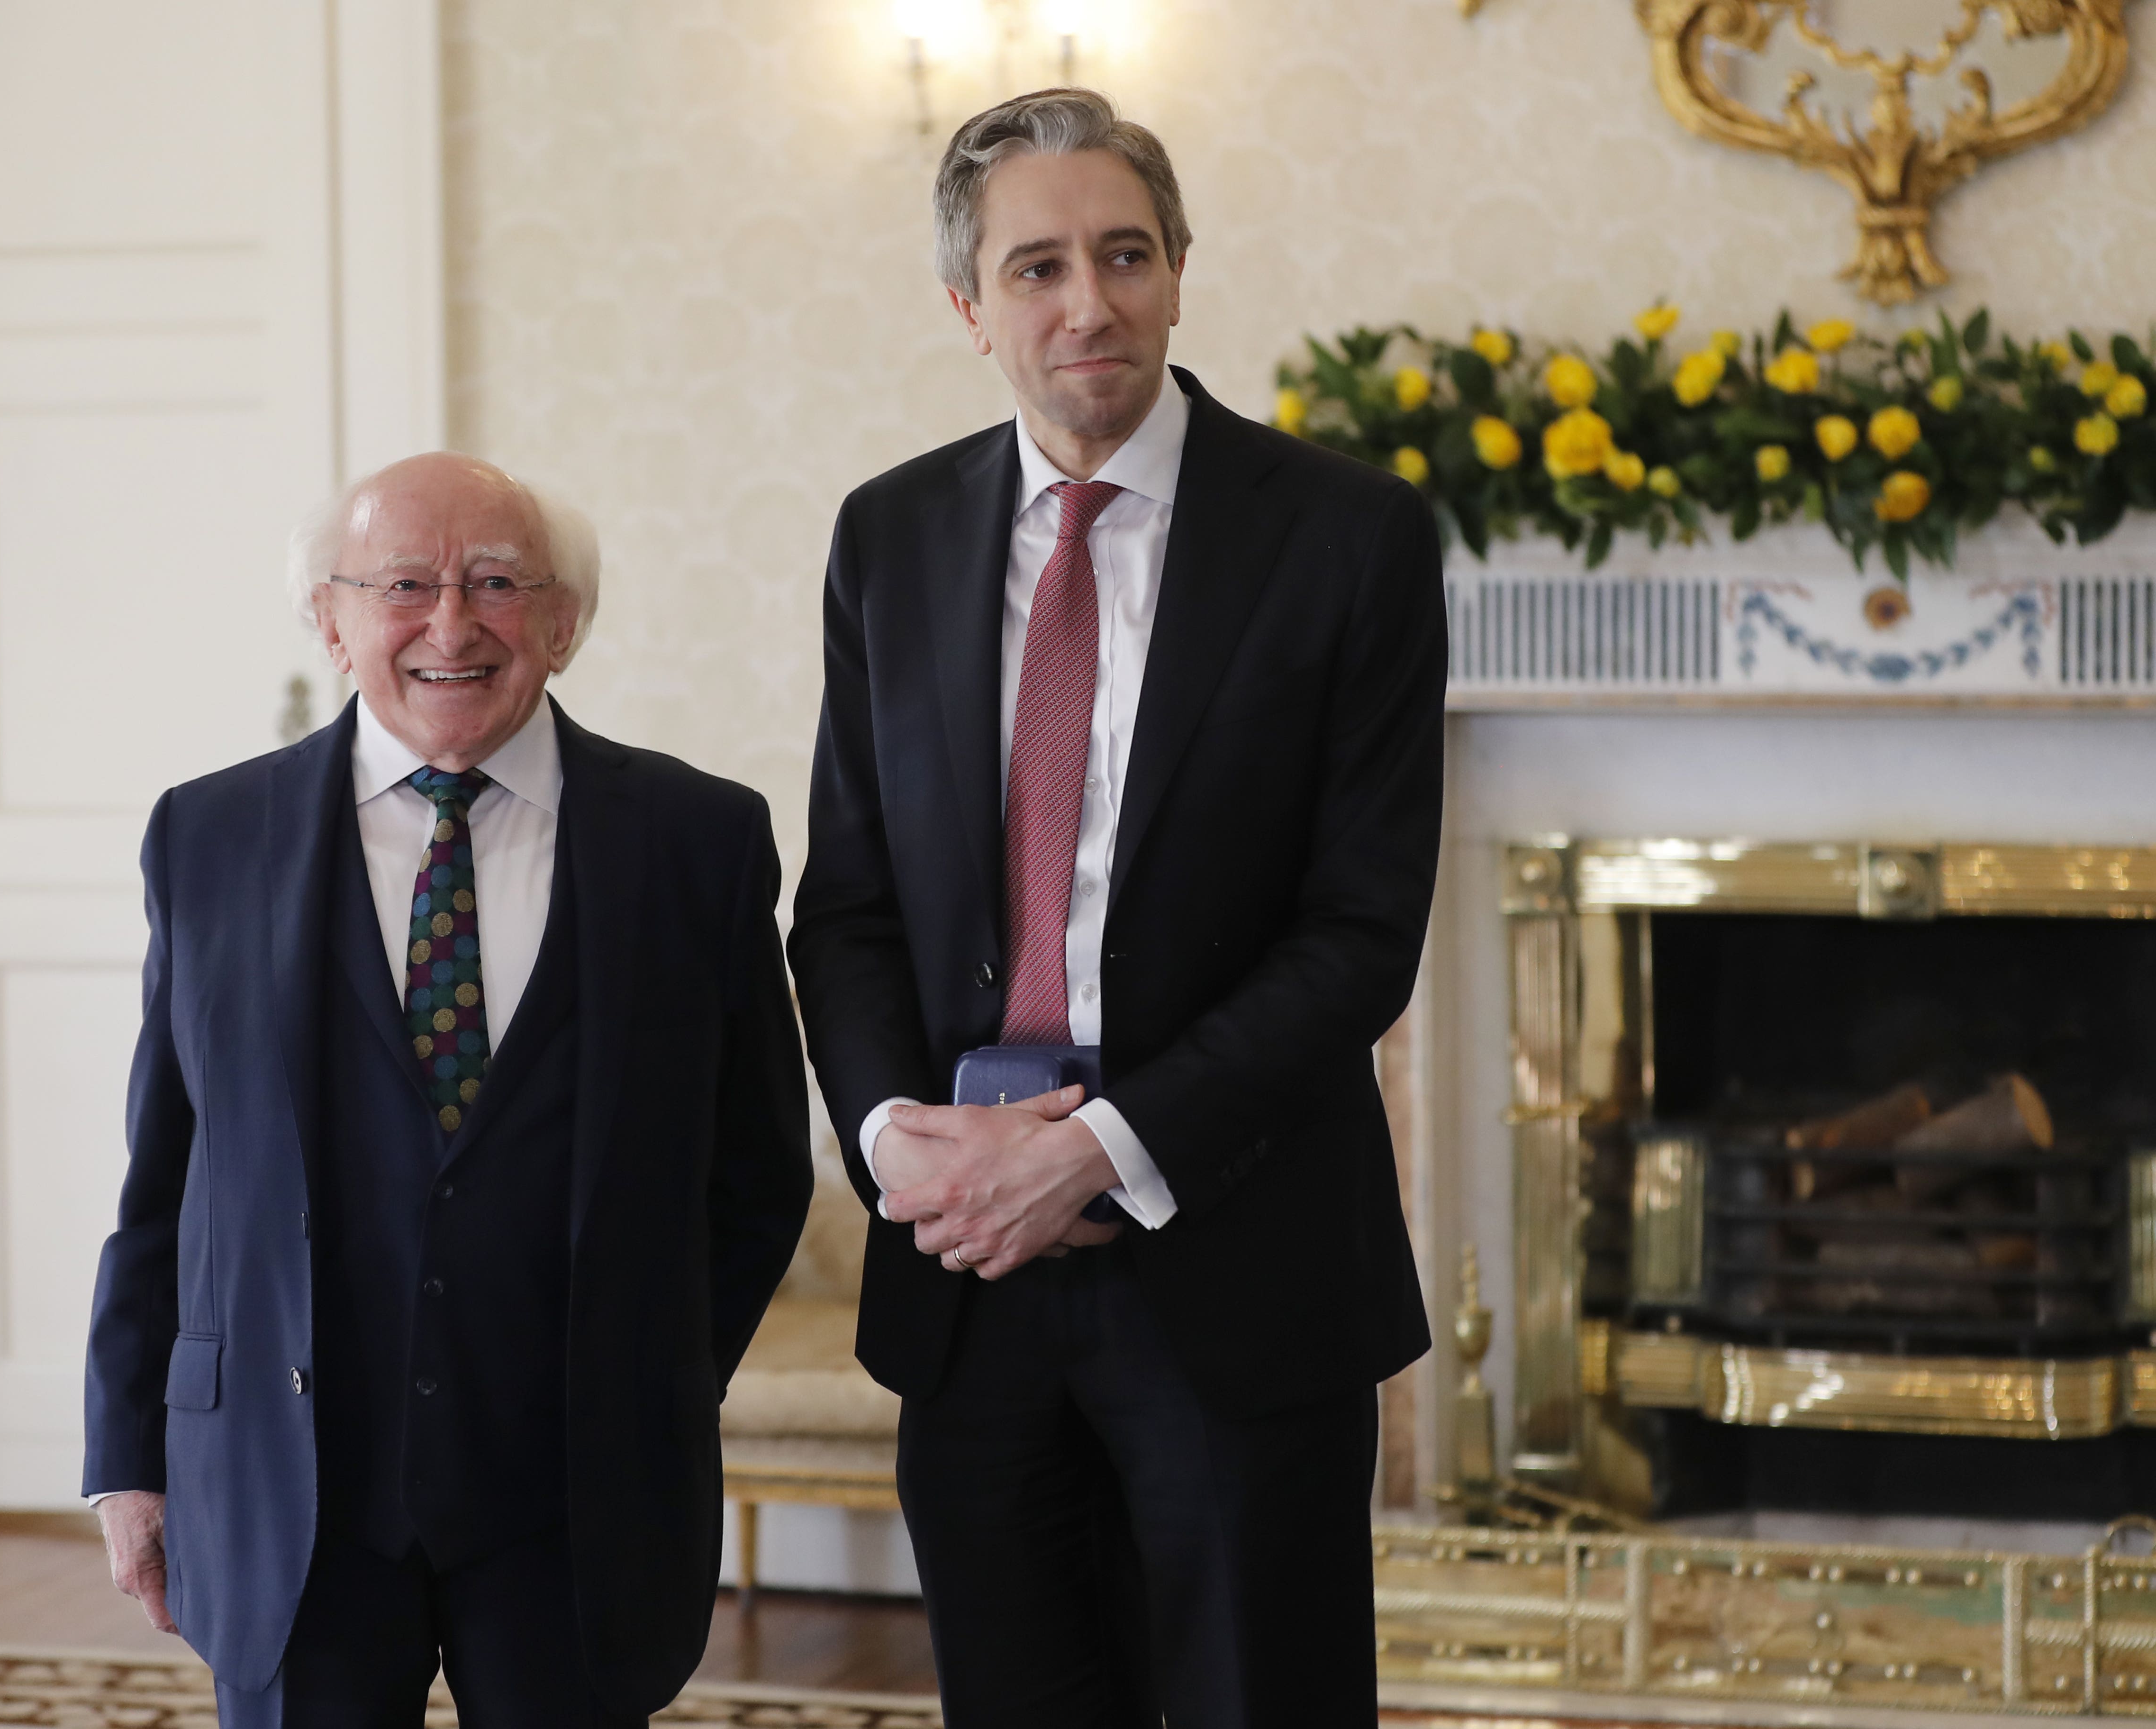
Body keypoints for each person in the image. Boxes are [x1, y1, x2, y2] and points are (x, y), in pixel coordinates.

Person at [788, 89, 1444, 1726]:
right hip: (968, 1278)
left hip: (1238, 1259)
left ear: (1176, 272)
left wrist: (1098, 1148)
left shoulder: (1349, 537)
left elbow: (1360, 934)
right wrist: (897, 1146)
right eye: (1038, 268)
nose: (1089, 302)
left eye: (1126, 254)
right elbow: (849, 908)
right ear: (970, 307)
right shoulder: (889, 536)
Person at [82, 453, 812, 1728]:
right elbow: (168, 1171)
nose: (452, 624)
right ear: (331, 615)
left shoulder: (700, 842)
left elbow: (755, 1175)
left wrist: (647, 1375)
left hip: (574, 1503)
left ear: (566, 623)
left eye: (496, 584)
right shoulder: (207, 838)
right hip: (287, 1483)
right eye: (404, 585)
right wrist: (129, 1457)